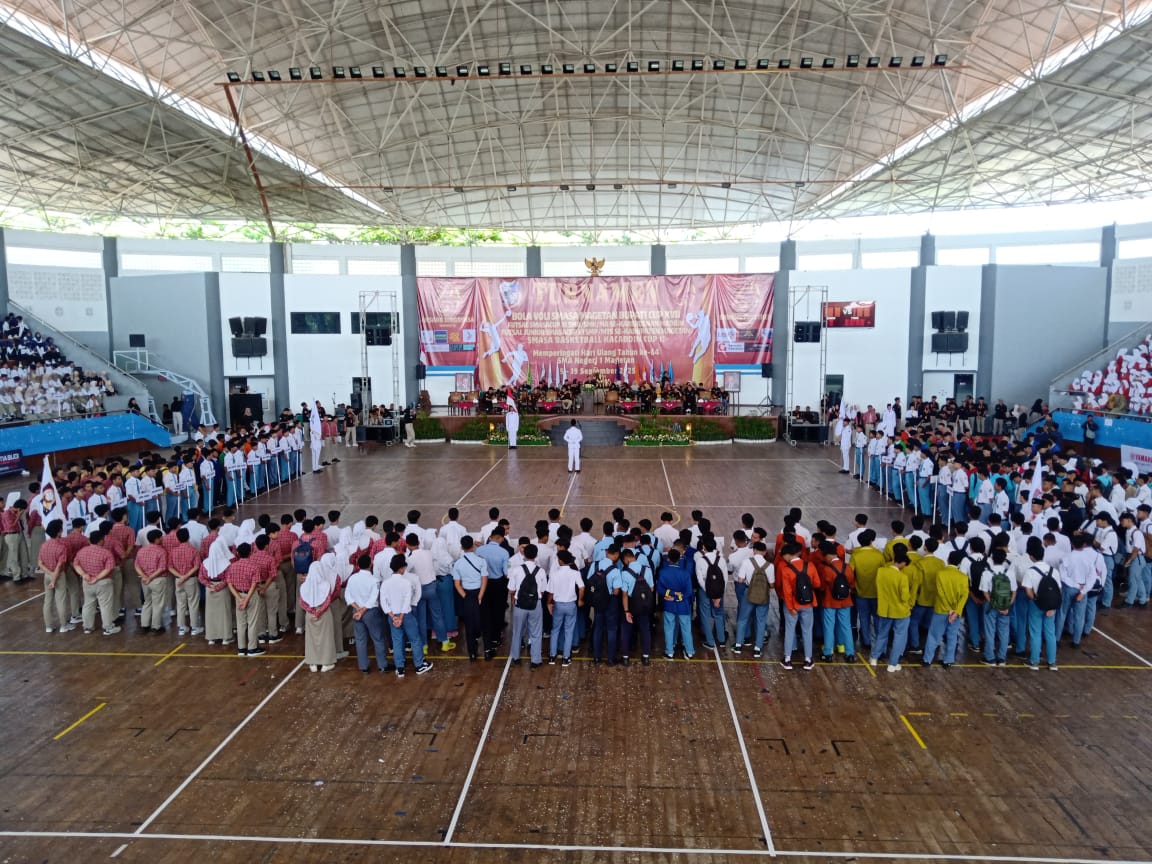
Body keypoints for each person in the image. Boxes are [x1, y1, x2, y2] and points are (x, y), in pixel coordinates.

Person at [381, 555, 433, 677]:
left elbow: (384, 602)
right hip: (406, 615)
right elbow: (406, 601)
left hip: (392, 616)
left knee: (397, 641)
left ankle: (400, 669)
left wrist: (393, 616)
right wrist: (401, 616)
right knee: (415, 639)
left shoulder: (385, 583)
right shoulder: (406, 582)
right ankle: (419, 665)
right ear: (401, 568)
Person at [922, 551, 970, 669]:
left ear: (948, 559)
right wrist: (956, 611)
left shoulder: (940, 574)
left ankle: (927, 659)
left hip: (941, 610)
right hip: (955, 614)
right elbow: (964, 595)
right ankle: (948, 660)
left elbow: (941, 593)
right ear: (959, 563)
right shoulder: (963, 577)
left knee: (934, 635)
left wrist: (948, 609)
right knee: (952, 636)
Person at [777, 541, 820, 670]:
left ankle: (788, 659)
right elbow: (817, 584)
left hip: (792, 605)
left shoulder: (786, 570)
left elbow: (787, 591)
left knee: (790, 631)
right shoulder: (810, 565)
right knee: (807, 631)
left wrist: (790, 607)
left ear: (788, 555)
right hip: (808, 603)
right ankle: (808, 659)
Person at [1021, 537, 1061, 671]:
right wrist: (1052, 606)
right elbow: (1059, 590)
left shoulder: (1030, 571)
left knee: (1035, 632)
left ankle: (1034, 661)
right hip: (1051, 606)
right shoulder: (1053, 571)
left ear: (1031, 556)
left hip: (1036, 605)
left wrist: (1036, 600)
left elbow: (1028, 590)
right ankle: (1052, 662)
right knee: (1050, 633)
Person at [872, 545, 912, 672]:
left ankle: (874, 658)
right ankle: (893, 663)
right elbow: (904, 597)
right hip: (900, 611)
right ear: (903, 563)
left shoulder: (881, 571)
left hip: (884, 609)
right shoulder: (902, 577)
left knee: (881, 634)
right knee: (899, 637)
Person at [508, 542, 546, 668]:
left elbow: (511, 589)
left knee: (517, 631)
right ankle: (535, 660)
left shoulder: (516, 570)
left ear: (524, 553)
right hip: (536, 604)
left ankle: (516, 657)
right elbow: (542, 591)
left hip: (520, 605)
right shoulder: (541, 571)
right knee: (535, 632)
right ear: (536, 555)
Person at [818, 540, 855, 663]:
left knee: (829, 626)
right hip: (845, 601)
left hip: (829, 602)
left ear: (828, 555)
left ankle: (828, 653)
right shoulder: (848, 567)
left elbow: (822, 587)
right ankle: (850, 653)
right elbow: (852, 584)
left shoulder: (827, 570)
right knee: (846, 626)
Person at [300, 554, 338, 672]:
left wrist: (312, 612)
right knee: (326, 639)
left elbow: (302, 602)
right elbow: (327, 601)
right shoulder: (325, 585)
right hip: (324, 613)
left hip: (310, 614)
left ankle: (313, 663)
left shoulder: (304, 586)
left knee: (311, 640)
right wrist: (319, 612)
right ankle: (327, 663)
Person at [452, 535, 488, 661]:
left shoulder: (458, 564)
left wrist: (465, 596)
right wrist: (480, 595)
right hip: (480, 593)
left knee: (469, 625)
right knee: (483, 620)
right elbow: (484, 579)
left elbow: (457, 584)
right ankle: (487, 650)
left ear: (462, 547)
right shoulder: (481, 561)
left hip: (467, 594)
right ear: (473, 546)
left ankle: (472, 654)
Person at [657, 548, 694, 660]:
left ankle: (669, 651)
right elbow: (689, 592)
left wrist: (671, 594)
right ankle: (689, 651)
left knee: (669, 628)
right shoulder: (685, 573)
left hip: (669, 603)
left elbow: (660, 589)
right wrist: (679, 596)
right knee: (686, 628)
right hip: (683, 604)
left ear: (668, 559)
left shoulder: (663, 572)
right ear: (679, 559)